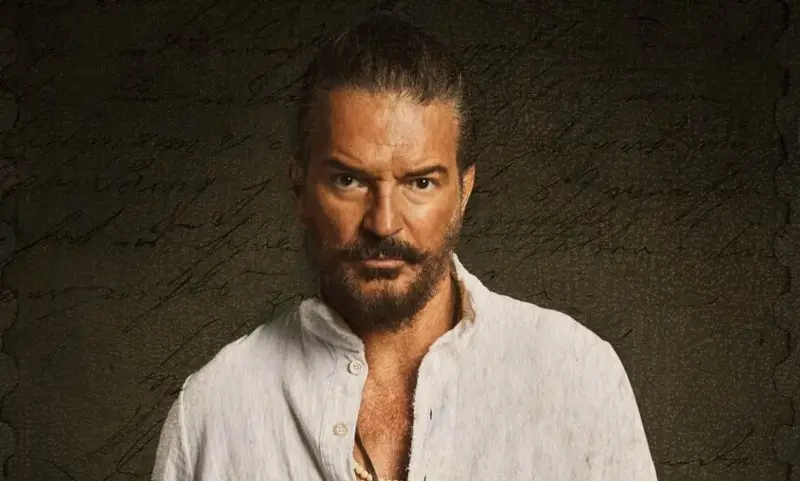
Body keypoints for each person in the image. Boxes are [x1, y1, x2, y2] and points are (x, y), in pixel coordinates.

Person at [152, 12, 658, 481]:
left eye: (420, 183)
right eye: (349, 180)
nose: (384, 223)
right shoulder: (214, 412)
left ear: (463, 191)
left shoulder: (577, 377)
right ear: (300, 189)